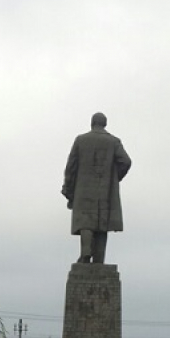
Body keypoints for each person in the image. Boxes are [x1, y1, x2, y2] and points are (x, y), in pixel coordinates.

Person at [61, 112, 132, 263]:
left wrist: (68, 188)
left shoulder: (81, 140)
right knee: (102, 223)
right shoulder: (114, 142)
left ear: (92, 123)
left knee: (86, 221)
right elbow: (126, 161)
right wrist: (114, 177)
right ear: (104, 124)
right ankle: (99, 259)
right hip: (106, 189)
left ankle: (86, 251)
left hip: (83, 188)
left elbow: (70, 168)